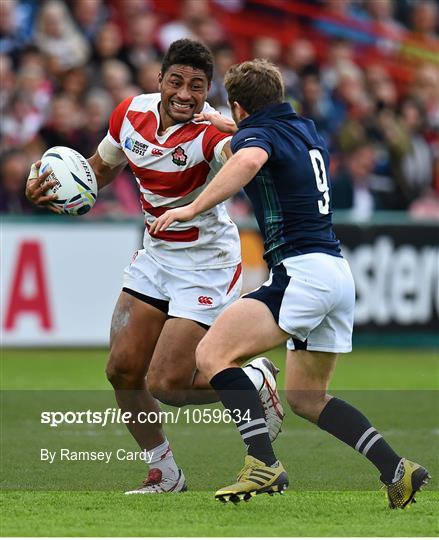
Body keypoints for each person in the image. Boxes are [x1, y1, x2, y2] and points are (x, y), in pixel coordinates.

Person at [150, 59, 430, 507]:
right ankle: (397, 470)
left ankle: (262, 462)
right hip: (337, 273)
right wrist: (224, 122)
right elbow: (254, 138)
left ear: (240, 107)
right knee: (306, 397)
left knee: (211, 354)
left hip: (300, 272)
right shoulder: (305, 128)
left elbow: (250, 156)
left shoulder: (254, 139)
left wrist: (190, 208)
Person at [24, 40, 284, 494]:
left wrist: (237, 133)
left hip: (206, 264)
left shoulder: (212, 135)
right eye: (177, 82)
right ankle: (165, 473)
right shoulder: (129, 115)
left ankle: (254, 379)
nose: (185, 94)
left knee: (168, 383)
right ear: (159, 80)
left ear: (208, 93)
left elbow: (245, 161)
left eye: (197, 87)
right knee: (122, 371)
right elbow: (100, 170)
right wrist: (55, 188)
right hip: (156, 255)